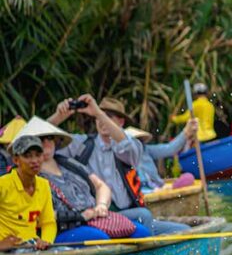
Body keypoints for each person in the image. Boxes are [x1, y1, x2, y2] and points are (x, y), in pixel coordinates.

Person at [47, 95, 187, 235]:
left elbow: (127, 146)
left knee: (183, 230)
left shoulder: (130, 145)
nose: (101, 122)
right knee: (144, 215)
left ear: (120, 121)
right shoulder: (83, 145)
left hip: (128, 213)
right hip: (99, 215)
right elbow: (37, 142)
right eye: (99, 118)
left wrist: (99, 114)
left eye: (109, 117)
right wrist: (58, 116)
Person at [16, 117, 153, 243]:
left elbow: (101, 186)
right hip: (63, 228)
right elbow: (34, 216)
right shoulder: (27, 175)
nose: (46, 144)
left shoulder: (68, 163)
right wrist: (79, 217)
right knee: (99, 238)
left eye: (50, 138)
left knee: (141, 233)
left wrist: (101, 206)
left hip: (95, 219)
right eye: (41, 139)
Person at [0, 135, 55, 251]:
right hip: (8, 251)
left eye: (38, 155)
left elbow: (48, 222)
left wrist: (46, 241)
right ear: (16, 160)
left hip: (32, 245)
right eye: (27, 156)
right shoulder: (3, 185)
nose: (34, 161)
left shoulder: (44, 185)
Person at [125, 124, 198, 192]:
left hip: (157, 186)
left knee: (189, 177)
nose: (137, 145)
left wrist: (186, 132)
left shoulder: (146, 150)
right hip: (141, 191)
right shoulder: (123, 158)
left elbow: (170, 149)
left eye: (139, 141)